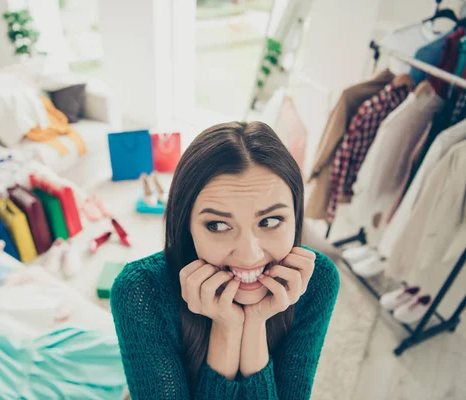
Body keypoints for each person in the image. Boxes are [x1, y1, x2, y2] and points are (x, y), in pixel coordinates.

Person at [110, 121, 340, 399]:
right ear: (187, 227)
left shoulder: (317, 280)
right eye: (218, 225)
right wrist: (227, 329)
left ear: (295, 217)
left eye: (270, 221)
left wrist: (254, 323)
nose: (249, 254)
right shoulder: (141, 290)